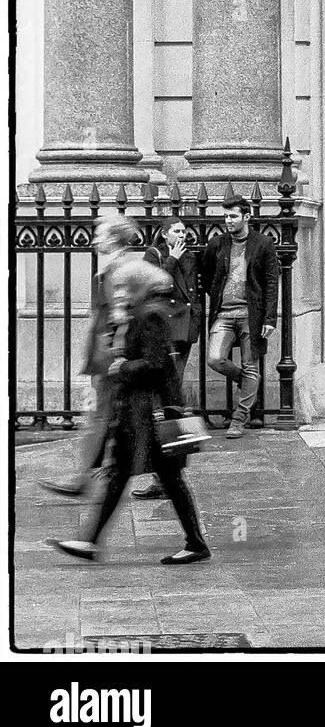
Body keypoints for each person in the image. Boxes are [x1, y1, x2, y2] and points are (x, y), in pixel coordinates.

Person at [48, 214, 210, 566]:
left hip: (149, 412)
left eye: (124, 288)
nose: (118, 292)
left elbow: (156, 365)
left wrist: (123, 367)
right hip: (136, 411)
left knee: (158, 475)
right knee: (128, 473)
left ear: (136, 286)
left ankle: (195, 542)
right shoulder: (136, 315)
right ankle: (91, 541)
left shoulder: (148, 316)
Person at [130, 217, 202, 501]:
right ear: (164, 234)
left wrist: (195, 322)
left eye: (184, 230)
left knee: (170, 400)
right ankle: (168, 473)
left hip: (183, 332)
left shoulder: (190, 256)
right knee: (166, 401)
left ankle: (168, 473)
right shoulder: (154, 254)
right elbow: (155, 286)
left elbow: (194, 291)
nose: (182, 234)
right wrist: (171, 259)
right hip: (166, 334)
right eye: (176, 230)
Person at [202, 195, 279, 440]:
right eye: (226, 216)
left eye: (233, 216)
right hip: (224, 313)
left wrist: (269, 318)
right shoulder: (217, 244)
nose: (228, 220)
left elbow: (271, 282)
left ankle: (240, 417)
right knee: (214, 358)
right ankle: (247, 383)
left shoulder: (263, 243)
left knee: (250, 365)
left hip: (251, 315)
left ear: (246, 217)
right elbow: (207, 275)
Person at [39, 264, 115, 499]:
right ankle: (88, 477)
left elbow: (117, 319)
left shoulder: (117, 273)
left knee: (100, 421)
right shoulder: (105, 274)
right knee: (100, 421)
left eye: (102, 232)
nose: (95, 239)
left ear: (113, 238)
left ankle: (85, 479)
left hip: (108, 364)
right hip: (100, 363)